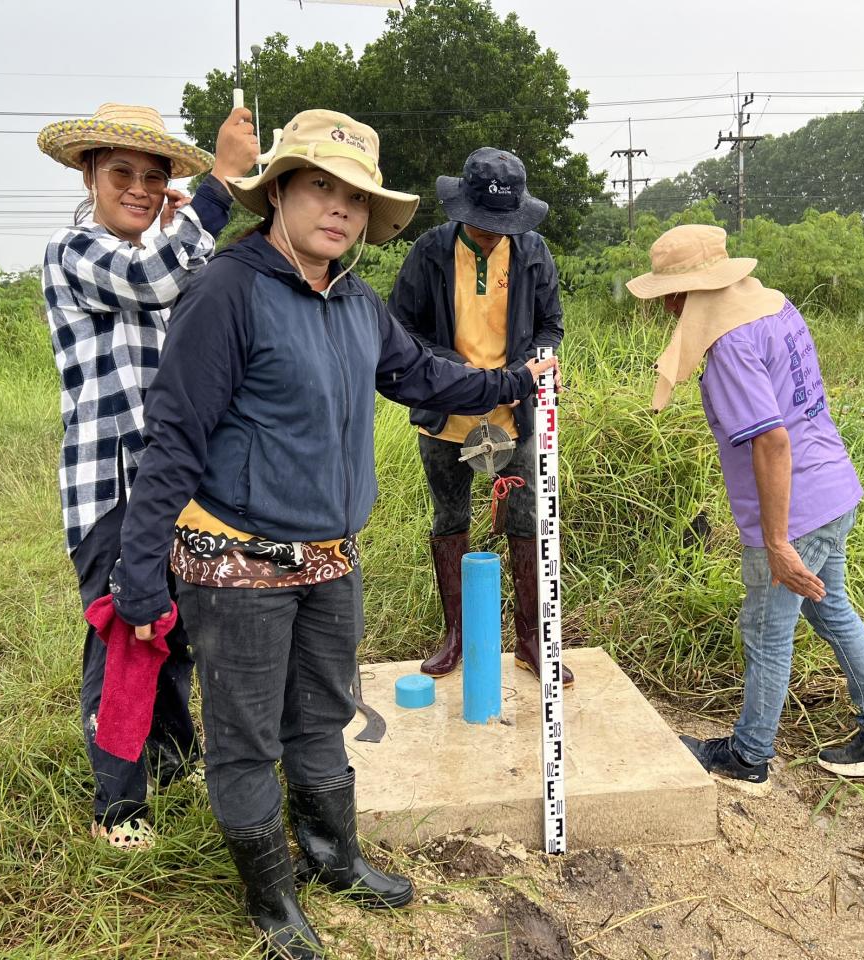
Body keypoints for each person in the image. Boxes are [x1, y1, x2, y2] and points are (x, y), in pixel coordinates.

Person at [107, 110, 557, 958]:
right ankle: (271, 898)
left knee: (322, 716)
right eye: (321, 186)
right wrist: (138, 575)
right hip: (235, 563)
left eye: (356, 196)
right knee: (245, 738)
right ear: (278, 191)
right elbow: (174, 438)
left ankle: (332, 856)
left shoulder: (354, 300)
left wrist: (510, 382)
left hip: (330, 557)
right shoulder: (227, 290)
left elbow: (418, 374)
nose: (341, 208)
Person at [627, 224, 864, 795]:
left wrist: (778, 542)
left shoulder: (730, 346)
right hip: (832, 488)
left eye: (671, 293)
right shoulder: (774, 308)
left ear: (693, 291)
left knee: (766, 631)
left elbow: (771, 441)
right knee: (831, 610)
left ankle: (748, 757)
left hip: (796, 512)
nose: (666, 306)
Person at [38, 101, 259, 849]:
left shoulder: (157, 255)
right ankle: (118, 805)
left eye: (153, 176)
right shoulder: (74, 250)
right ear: (89, 177)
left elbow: (185, 293)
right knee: (123, 636)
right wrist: (218, 186)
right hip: (112, 488)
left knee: (172, 632)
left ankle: (170, 760)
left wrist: (177, 226)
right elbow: (153, 278)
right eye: (121, 173)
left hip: (171, 486)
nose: (138, 187)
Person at [388, 147, 571, 686]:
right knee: (449, 519)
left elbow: (551, 325)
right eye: (483, 223)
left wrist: (530, 365)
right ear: (462, 209)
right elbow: (402, 328)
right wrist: (453, 370)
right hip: (445, 412)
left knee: (527, 520)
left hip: (515, 411)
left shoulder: (533, 252)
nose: (493, 234)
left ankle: (531, 640)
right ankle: (457, 637)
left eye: (503, 225)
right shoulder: (430, 252)